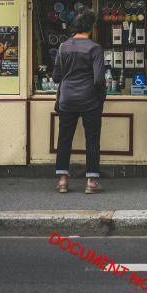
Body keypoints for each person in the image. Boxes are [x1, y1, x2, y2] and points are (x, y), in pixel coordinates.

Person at [52, 10, 106, 194]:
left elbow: (56, 76)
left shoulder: (63, 47)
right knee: (92, 139)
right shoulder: (95, 48)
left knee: (64, 138)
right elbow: (99, 79)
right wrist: (98, 98)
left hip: (67, 99)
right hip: (89, 100)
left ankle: (62, 180)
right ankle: (91, 181)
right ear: (91, 27)